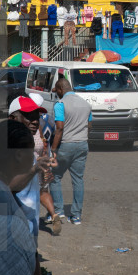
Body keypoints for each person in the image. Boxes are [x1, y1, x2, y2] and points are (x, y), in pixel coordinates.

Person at [1, 97, 58, 236]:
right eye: (28, 116)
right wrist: (34, 169)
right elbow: (8, 187)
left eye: (36, 117)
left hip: (28, 225)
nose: (35, 121)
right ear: (12, 118)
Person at [49, 77, 91, 226]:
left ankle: (59, 211)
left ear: (60, 89)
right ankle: (76, 216)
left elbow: (59, 128)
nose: (56, 94)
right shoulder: (86, 104)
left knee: (54, 176)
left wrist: (53, 149)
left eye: (57, 91)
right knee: (78, 179)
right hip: (82, 144)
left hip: (66, 145)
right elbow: (89, 125)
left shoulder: (60, 104)